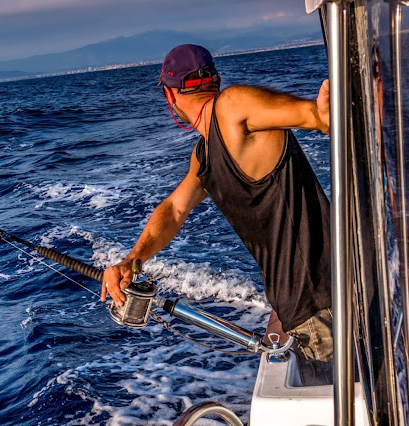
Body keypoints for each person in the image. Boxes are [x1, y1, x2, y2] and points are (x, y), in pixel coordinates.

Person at [101, 44, 333, 385]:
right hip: (303, 304)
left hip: (320, 305)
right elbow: (175, 208)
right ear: (216, 79)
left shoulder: (231, 107)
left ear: (170, 96)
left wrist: (322, 114)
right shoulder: (205, 154)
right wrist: (132, 261)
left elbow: (316, 117)